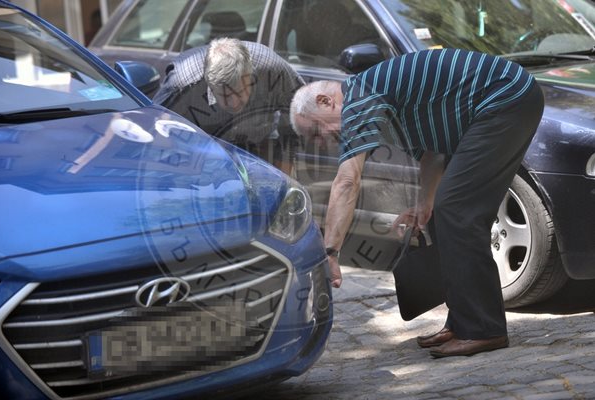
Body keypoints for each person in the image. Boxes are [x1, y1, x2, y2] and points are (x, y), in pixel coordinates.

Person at [289, 48, 544, 358]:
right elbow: (432, 153)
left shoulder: (359, 97)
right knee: (443, 212)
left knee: (457, 210)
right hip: (505, 99)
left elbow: (346, 182)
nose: (322, 141)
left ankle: (483, 329)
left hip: (505, 98)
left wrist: (330, 252)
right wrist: (425, 205)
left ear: (325, 101)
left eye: (317, 130)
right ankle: (464, 321)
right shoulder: (380, 107)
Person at [153, 38, 305, 175]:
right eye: (224, 96)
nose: (234, 103)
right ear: (210, 85)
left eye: (240, 92)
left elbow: (301, 113)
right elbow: (156, 131)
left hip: (262, 146)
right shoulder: (182, 84)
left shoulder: (272, 70)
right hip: (201, 159)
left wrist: (283, 170)